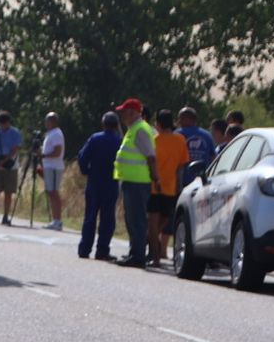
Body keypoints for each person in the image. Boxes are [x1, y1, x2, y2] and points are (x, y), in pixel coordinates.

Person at [112, 98, 157, 266]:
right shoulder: (134, 129)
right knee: (132, 219)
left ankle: (137, 256)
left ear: (133, 113)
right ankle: (134, 253)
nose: (122, 116)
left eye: (124, 112)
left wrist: (156, 177)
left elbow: (151, 156)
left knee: (136, 220)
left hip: (138, 182)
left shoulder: (140, 130)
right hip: (132, 181)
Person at [75, 111, 121, 260]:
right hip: (111, 182)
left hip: (94, 181)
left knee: (90, 216)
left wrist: (85, 171)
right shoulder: (119, 141)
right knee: (107, 218)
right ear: (116, 125)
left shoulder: (95, 139)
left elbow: (82, 156)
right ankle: (102, 249)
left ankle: (84, 248)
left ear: (103, 124)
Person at [147, 109, 191, 264]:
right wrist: (179, 185)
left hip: (154, 186)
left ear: (158, 124)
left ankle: (154, 255)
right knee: (164, 219)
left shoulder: (154, 140)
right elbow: (181, 166)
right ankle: (153, 248)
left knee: (153, 222)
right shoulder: (180, 140)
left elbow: (150, 163)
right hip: (171, 187)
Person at [0, 111, 23, 226]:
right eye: (1, 123)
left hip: (10, 166)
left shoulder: (15, 133)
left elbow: (15, 149)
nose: (3, 125)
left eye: (5, 123)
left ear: (9, 122)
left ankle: (6, 216)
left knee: (9, 192)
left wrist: (5, 160)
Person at [177, 107, 217, 184]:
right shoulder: (207, 135)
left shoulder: (178, 135)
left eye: (181, 118)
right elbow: (213, 158)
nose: (179, 121)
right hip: (203, 179)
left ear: (187, 119)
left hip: (183, 180)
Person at [40, 112, 66, 231]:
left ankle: (57, 220)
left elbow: (57, 152)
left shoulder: (56, 134)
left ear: (53, 121)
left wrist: (43, 155)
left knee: (54, 192)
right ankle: (55, 219)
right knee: (51, 192)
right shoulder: (50, 134)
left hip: (54, 167)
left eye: (48, 121)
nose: (46, 123)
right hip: (49, 166)